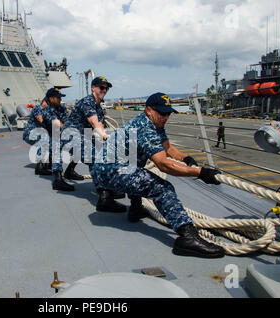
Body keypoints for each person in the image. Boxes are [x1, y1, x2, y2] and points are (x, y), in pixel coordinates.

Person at [91, 92, 225, 258]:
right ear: (149, 110)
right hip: (109, 171)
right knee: (161, 187)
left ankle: (136, 209)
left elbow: (167, 148)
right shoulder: (145, 127)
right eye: (162, 113)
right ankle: (187, 237)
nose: (166, 117)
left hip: (115, 166)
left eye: (168, 113)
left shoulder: (156, 124)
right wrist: (200, 173)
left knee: (137, 168)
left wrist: (186, 158)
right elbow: (163, 164)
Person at [51, 76, 126, 213]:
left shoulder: (98, 107)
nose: (104, 90)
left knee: (100, 153)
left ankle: (105, 189)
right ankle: (104, 198)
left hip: (83, 136)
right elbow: (94, 123)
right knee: (96, 158)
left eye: (106, 88)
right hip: (71, 136)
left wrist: (108, 139)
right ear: (93, 88)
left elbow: (100, 125)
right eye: (101, 87)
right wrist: (104, 136)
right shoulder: (88, 102)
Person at [42, 88, 84, 185]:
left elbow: (67, 122)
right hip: (48, 139)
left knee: (80, 143)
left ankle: (70, 171)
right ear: (51, 99)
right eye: (58, 98)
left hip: (62, 134)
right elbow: (57, 124)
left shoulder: (62, 109)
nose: (60, 100)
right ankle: (58, 178)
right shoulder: (46, 111)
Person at [22, 97, 51, 176]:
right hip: (30, 133)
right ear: (44, 102)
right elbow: (40, 119)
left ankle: (48, 164)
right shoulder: (38, 108)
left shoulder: (46, 111)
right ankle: (40, 167)